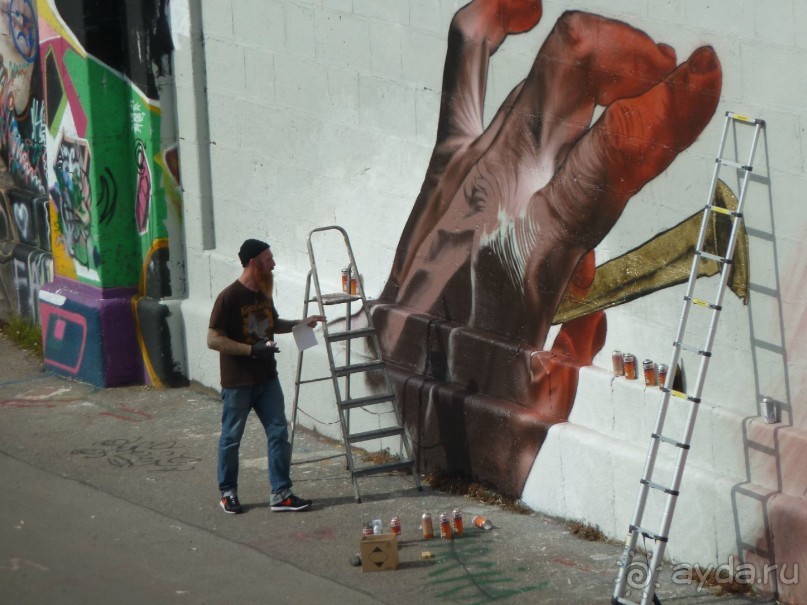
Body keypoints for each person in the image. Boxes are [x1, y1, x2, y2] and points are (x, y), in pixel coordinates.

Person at [207, 238, 325, 514]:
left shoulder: (263, 293)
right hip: (238, 382)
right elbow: (213, 339)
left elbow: (273, 324)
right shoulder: (229, 297)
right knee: (231, 437)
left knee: (279, 433)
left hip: (267, 379)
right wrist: (251, 350)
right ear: (253, 262)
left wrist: (300, 323)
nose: (273, 264)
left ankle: (281, 493)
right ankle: (228, 493)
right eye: (268, 259)